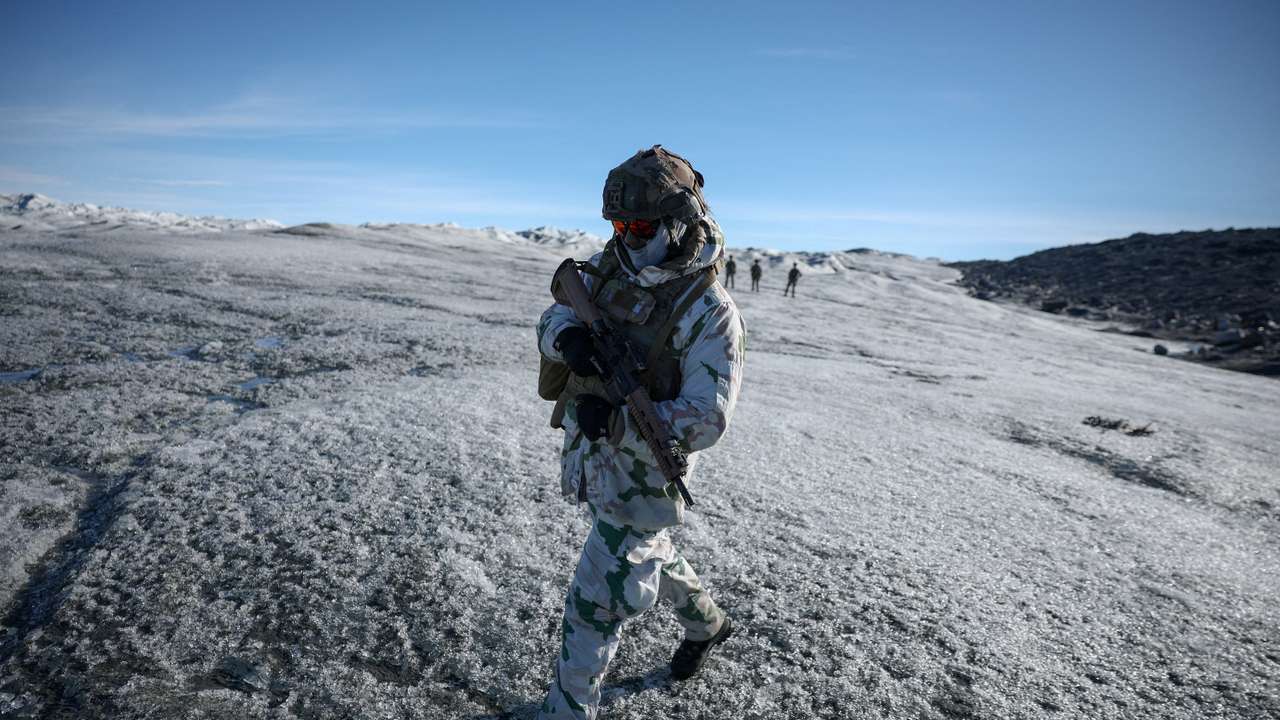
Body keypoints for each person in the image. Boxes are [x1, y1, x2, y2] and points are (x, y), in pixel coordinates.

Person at [535, 146, 745, 720]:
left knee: (592, 610)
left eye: (641, 225)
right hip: (597, 461)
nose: (627, 236)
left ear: (679, 222)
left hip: (646, 475)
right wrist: (568, 340)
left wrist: (621, 420)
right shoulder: (608, 269)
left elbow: (708, 415)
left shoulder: (708, 311)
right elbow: (555, 315)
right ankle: (708, 625)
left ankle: (566, 710)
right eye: (619, 225)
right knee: (658, 551)